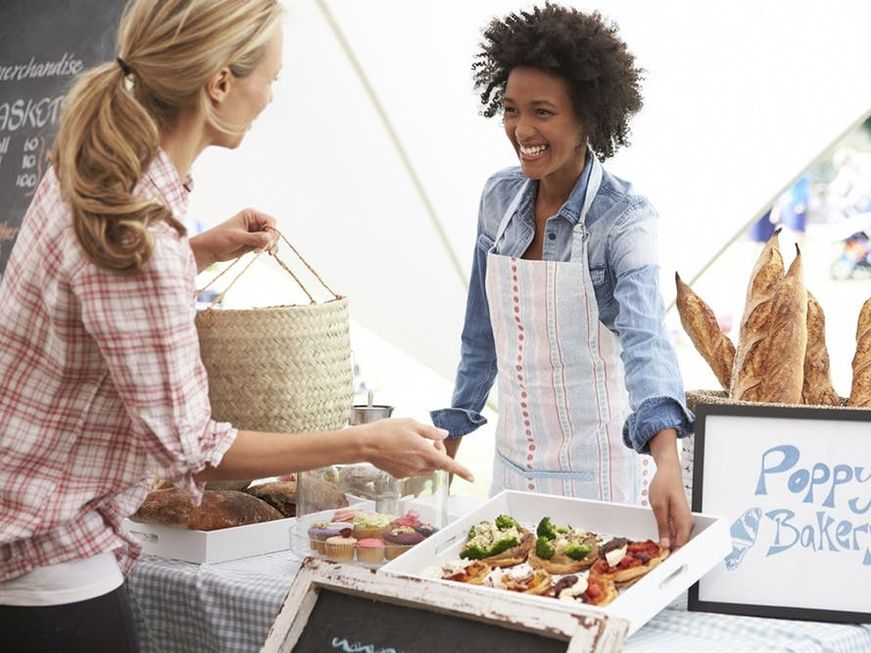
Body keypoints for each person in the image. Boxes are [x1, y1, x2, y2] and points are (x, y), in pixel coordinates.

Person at [0, 2, 471, 650]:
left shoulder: (98, 170)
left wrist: (199, 250)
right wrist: (365, 443)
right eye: (270, 78)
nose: (271, 97)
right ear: (219, 82)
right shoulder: (141, 238)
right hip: (51, 578)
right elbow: (198, 448)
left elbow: (87, 295)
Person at [432, 4, 694, 551]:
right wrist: (453, 428)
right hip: (511, 473)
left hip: (601, 479)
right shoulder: (498, 197)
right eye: (510, 109)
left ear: (587, 118)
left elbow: (648, 340)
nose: (522, 129)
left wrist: (667, 458)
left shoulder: (624, 219)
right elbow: (481, 334)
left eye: (543, 112)